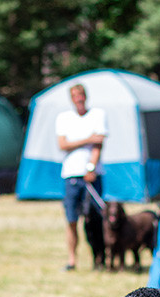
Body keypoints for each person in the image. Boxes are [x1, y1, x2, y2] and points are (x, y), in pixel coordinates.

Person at [55, 83, 107, 270]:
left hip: (92, 175)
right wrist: (88, 139)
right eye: (75, 95)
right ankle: (72, 260)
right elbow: (63, 144)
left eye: (81, 94)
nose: (78, 98)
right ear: (71, 98)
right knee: (71, 219)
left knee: (94, 219)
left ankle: (99, 259)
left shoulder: (97, 115)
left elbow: (98, 144)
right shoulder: (64, 118)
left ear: (86, 96)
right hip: (71, 174)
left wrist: (91, 167)